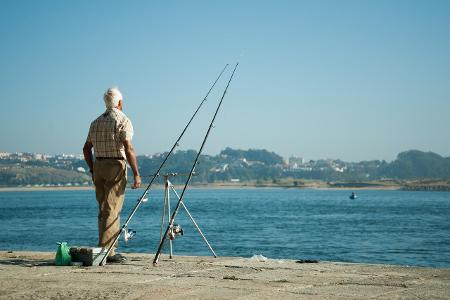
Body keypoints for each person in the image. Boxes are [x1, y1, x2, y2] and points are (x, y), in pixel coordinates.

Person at [83, 87, 141, 263]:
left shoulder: (95, 122)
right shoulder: (123, 120)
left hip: (99, 165)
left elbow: (86, 148)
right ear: (120, 103)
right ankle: (107, 251)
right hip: (116, 165)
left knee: (103, 209)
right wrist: (137, 174)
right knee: (112, 209)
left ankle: (104, 246)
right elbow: (128, 148)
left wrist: (93, 169)